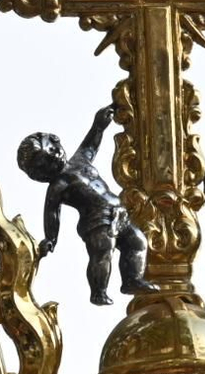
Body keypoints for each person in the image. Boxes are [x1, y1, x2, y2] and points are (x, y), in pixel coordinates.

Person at [17, 105, 159, 305]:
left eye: (52, 150)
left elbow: (90, 145)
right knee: (103, 252)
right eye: (46, 161)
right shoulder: (58, 186)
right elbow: (52, 213)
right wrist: (51, 238)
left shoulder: (79, 161)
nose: (54, 156)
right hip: (96, 221)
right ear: (41, 173)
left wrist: (99, 125)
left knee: (137, 242)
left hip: (118, 213)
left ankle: (131, 279)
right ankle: (98, 291)